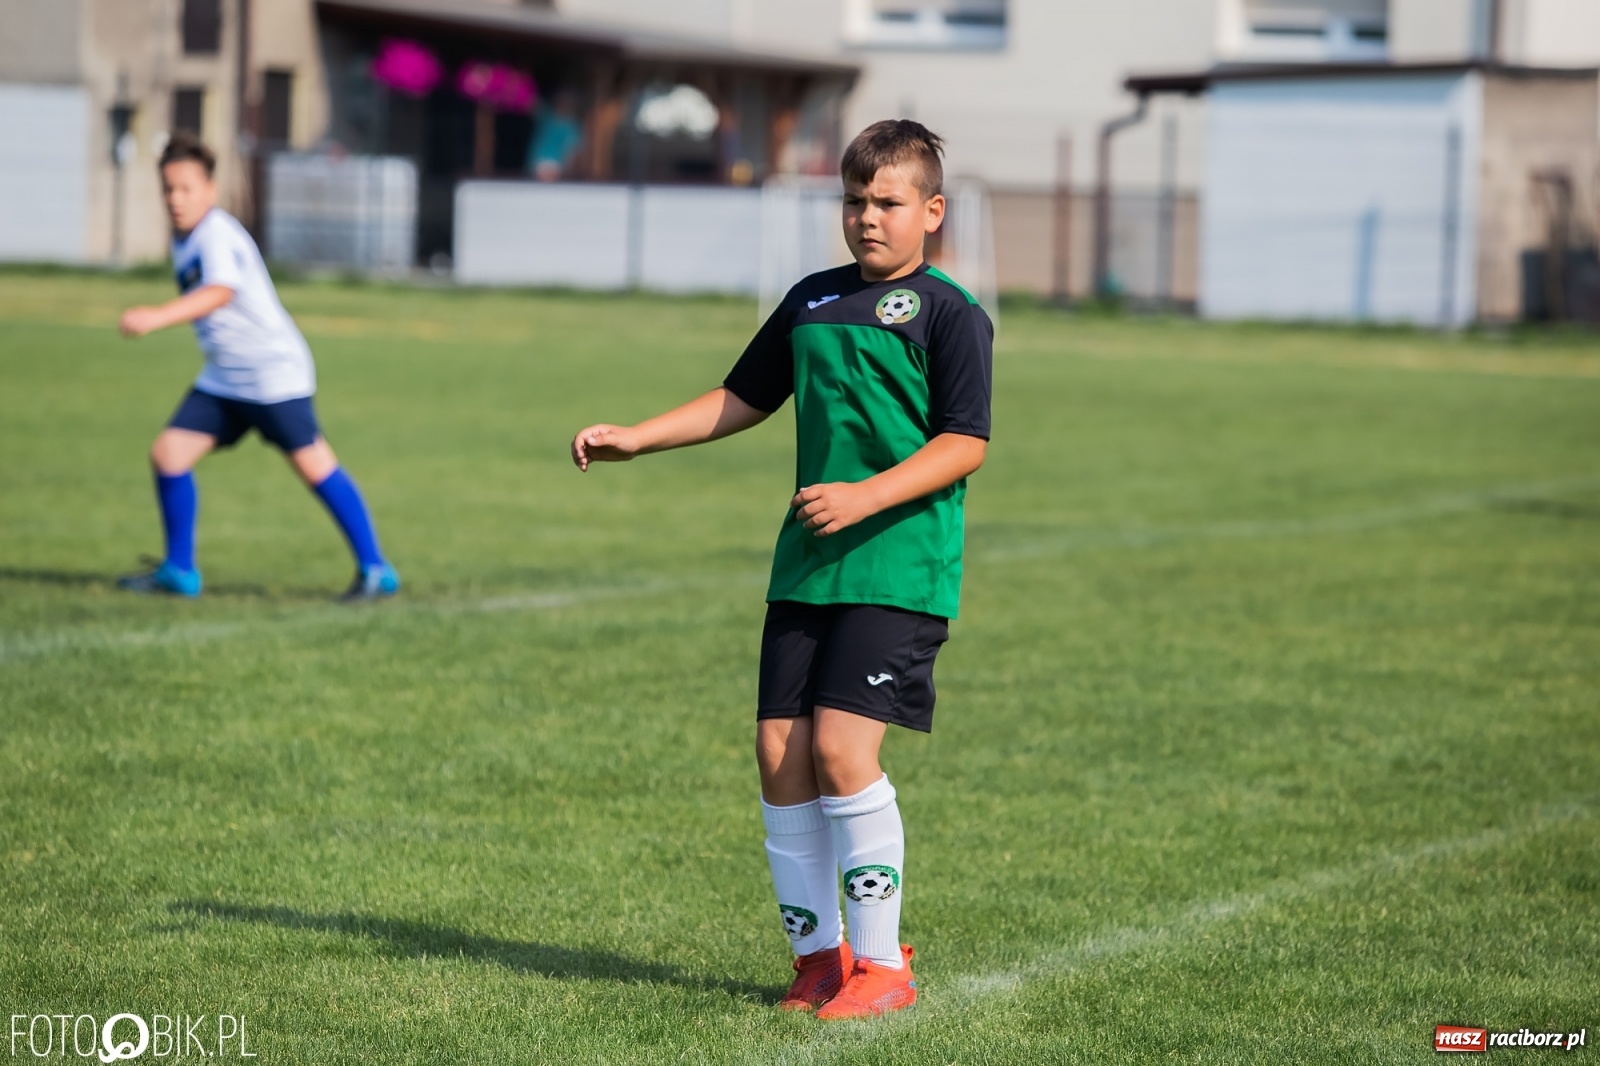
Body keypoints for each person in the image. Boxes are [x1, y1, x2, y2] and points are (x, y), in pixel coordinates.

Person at [570, 120, 992, 1019]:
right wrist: (637, 437)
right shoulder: (811, 299)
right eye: (854, 201)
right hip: (807, 565)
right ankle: (818, 961)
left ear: (931, 210)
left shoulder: (950, 312)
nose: (867, 218)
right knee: (779, 755)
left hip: (899, 566)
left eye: (887, 203)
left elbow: (964, 444)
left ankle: (884, 970)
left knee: (842, 751)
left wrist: (863, 497)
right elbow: (743, 396)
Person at [116, 133, 399, 601]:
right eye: (168, 189)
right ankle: (179, 571)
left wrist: (156, 316)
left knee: (315, 466)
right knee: (169, 454)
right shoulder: (183, 238)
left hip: (270, 376)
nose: (176, 199)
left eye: (186, 188)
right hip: (226, 378)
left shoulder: (215, 234)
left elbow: (219, 291)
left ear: (210, 189)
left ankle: (376, 570)